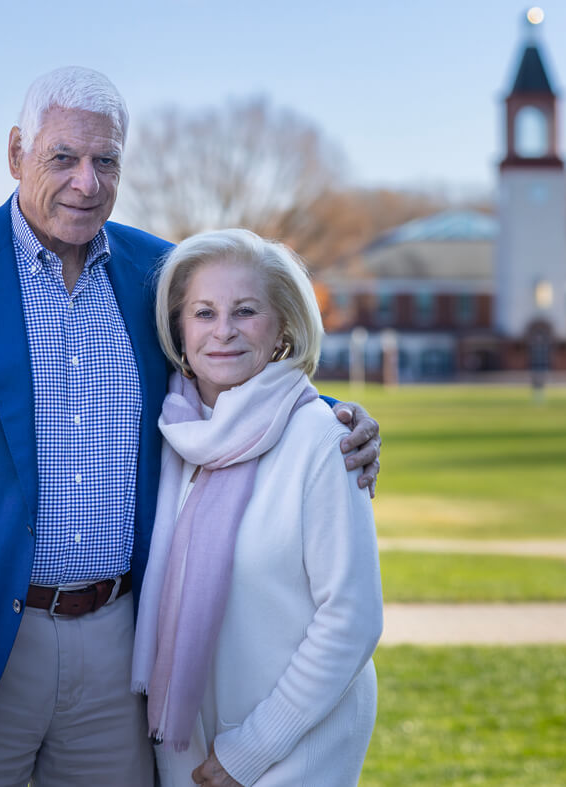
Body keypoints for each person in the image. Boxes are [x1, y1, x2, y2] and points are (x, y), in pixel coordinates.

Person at [0, 66, 381, 786]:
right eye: (62, 157)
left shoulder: (156, 273)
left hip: (119, 648)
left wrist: (332, 415)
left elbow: (228, 373)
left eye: (107, 161)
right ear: (15, 154)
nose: (86, 182)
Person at [133, 229, 382, 787]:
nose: (222, 331)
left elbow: (352, 618)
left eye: (246, 312)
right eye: (203, 313)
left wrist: (250, 751)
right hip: (189, 751)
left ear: (282, 329)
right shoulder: (175, 435)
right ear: (179, 328)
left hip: (295, 746)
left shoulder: (323, 440)